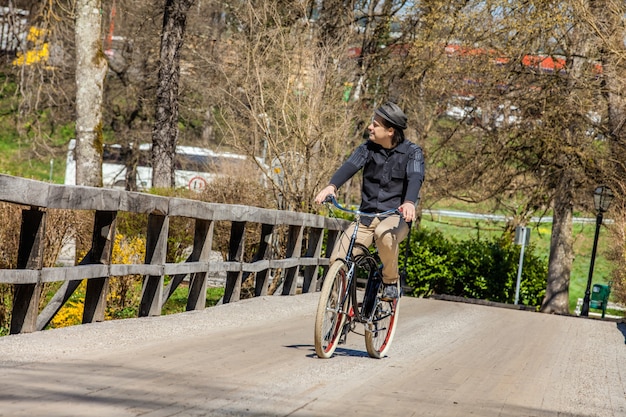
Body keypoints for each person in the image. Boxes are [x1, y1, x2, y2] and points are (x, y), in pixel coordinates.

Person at [314, 101, 425, 301]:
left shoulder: (412, 152)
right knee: (337, 258)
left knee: (383, 234)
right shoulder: (367, 148)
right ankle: (336, 310)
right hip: (365, 218)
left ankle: (390, 280)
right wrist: (332, 186)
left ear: (390, 130)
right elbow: (350, 165)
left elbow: (415, 177)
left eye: (375, 124)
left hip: (394, 218)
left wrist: (409, 202)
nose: (370, 127)